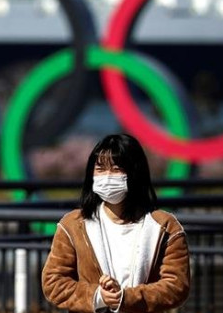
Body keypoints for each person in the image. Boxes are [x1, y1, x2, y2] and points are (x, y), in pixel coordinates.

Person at [41, 134, 190, 313]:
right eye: (100, 169)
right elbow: (53, 282)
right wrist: (97, 296)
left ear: (135, 173)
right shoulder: (72, 225)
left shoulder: (165, 227)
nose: (107, 177)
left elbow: (177, 286)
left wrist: (126, 298)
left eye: (116, 169)